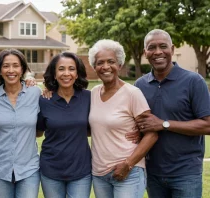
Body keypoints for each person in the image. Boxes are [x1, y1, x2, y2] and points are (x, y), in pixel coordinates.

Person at [135, 29, 210, 198]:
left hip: (186, 173)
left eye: (163, 46)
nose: (158, 52)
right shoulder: (140, 85)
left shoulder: (193, 81)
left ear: (172, 49)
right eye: (152, 47)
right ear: (145, 52)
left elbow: (208, 124)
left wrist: (164, 124)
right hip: (153, 172)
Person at [88, 39, 158, 198]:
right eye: (100, 63)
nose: (105, 67)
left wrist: (128, 164)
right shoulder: (93, 93)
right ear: (94, 67)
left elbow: (152, 134)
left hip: (128, 172)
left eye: (111, 61)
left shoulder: (132, 93)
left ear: (119, 65)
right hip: (99, 174)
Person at [0, 49, 41, 198]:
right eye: (6, 66)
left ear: (22, 69)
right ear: (0, 70)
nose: (11, 70)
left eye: (15, 65)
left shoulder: (35, 93)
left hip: (29, 169)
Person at [36, 52, 92, 198]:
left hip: (81, 170)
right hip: (51, 170)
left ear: (77, 73)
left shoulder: (88, 97)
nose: (66, 73)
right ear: (54, 74)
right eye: (61, 69)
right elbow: (38, 132)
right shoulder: (44, 100)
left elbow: (95, 127)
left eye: (71, 69)